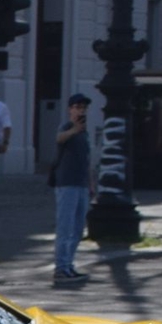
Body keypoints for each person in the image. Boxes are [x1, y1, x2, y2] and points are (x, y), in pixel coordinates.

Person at [50, 92, 94, 282]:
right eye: (77, 107)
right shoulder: (68, 126)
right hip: (66, 183)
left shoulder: (85, 132)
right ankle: (60, 267)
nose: (81, 110)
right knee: (65, 227)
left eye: (83, 108)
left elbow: (87, 160)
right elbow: (59, 139)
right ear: (70, 109)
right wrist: (74, 130)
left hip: (81, 184)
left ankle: (69, 264)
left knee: (77, 229)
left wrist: (91, 183)